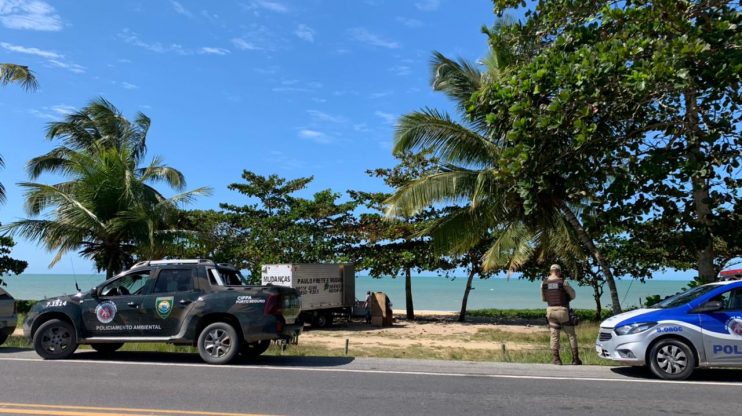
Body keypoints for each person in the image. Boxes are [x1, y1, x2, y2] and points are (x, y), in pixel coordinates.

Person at [541, 264, 581, 365]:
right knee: (571, 335)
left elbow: (544, 299)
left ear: (550, 272)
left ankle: (556, 359)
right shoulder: (563, 282)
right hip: (563, 310)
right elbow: (573, 295)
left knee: (554, 336)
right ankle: (575, 359)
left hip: (550, 311)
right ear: (559, 271)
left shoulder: (543, 283)